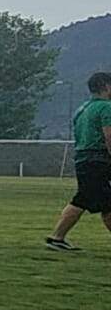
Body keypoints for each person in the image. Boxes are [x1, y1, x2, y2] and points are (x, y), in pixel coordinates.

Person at [46, 70, 111, 251]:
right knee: (104, 202)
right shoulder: (106, 107)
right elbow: (109, 136)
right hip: (98, 159)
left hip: (83, 159)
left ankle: (57, 237)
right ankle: (57, 237)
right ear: (106, 86)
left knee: (83, 199)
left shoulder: (82, 109)